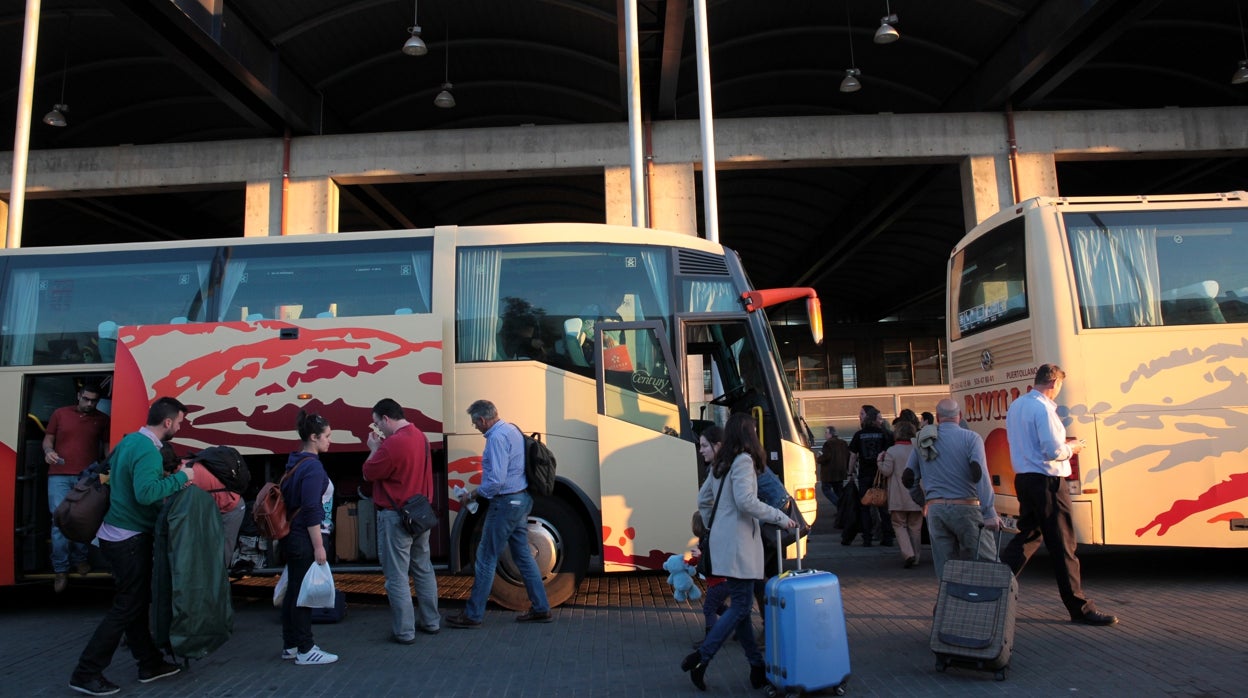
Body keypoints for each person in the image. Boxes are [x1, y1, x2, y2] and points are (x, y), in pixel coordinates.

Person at [68, 397, 190, 696]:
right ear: (167, 422)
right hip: (129, 538)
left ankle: (149, 663)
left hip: (114, 534)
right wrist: (181, 479)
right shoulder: (148, 450)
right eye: (180, 421)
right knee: (126, 607)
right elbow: (146, 494)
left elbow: (111, 477)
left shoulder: (129, 441)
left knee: (133, 603)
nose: (180, 426)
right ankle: (87, 672)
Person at [680, 412, 796, 692]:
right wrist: (780, 517)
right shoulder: (743, 460)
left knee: (742, 609)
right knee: (742, 606)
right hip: (740, 544)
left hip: (724, 543)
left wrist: (714, 525)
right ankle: (702, 658)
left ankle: (756, 667)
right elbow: (746, 501)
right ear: (749, 433)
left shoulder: (722, 462)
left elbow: (703, 499)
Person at [1001, 364, 1118, 627]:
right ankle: (1079, 607)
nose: (1059, 392)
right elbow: (1052, 449)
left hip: (1025, 478)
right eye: (1060, 387)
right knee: (1063, 544)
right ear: (1053, 383)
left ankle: (990, 589)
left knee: (1028, 537)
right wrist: (1072, 447)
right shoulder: (1043, 408)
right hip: (1048, 481)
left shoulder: (1018, 405)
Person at [446, 399, 552, 628]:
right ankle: (541, 607)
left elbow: (495, 481)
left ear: (482, 420)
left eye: (476, 423)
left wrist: (471, 496)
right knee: (523, 555)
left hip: (505, 504)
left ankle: (473, 615)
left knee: (485, 557)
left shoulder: (495, 438)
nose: (476, 427)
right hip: (521, 499)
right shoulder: (511, 428)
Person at [363, 398, 440, 641]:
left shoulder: (393, 444)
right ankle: (431, 621)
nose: (377, 430)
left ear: (386, 419)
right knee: (423, 568)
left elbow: (368, 472)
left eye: (377, 424)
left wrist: (374, 449)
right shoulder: (420, 437)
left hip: (396, 517)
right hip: (419, 515)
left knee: (396, 576)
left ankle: (405, 631)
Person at [902, 399, 1000, 579]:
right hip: (967, 508)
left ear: (937, 417)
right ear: (960, 416)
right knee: (988, 565)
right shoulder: (971, 438)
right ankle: (988, 605)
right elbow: (980, 475)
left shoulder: (922, 439)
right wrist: (989, 511)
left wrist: (924, 502)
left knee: (946, 570)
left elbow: (908, 478)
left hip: (936, 510)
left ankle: (949, 605)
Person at [280, 410, 340, 665]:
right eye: (326, 436)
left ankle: (291, 645)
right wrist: (319, 546)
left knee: (294, 591)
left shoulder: (295, 460)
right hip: (306, 537)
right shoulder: (313, 467)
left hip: (292, 535)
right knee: (304, 593)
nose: (330, 440)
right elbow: (312, 508)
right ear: (314, 437)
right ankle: (306, 649)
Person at [43, 381, 110, 592]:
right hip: (58, 475)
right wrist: (48, 452)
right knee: (59, 521)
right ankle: (61, 570)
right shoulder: (60, 413)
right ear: (79, 396)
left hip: (87, 476)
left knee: (83, 520)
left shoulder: (102, 419)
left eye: (94, 401)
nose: (90, 404)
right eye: (86, 399)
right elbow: (48, 439)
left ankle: (80, 559)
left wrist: (108, 470)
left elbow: (107, 449)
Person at [162, 443, 245, 570]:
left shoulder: (187, 478)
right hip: (217, 507)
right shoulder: (185, 465)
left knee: (221, 557)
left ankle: (219, 585)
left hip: (231, 507)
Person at [845, 406, 894, 547]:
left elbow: (853, 456)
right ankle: (888, 537)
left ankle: (867, 538)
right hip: (881, 474)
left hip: (864, 475)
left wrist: (850, 473)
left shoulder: (859, 435)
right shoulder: (884, 434)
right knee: (883, 506)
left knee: (864, 507)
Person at [877, 421, 922, 568]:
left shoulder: (892, 451)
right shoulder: (918, 449)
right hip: (917, 496)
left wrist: (879, 461)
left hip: (898, 497)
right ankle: (916, 557)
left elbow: (886, 471)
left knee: (899, 525)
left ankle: (908, 554)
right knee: (915, 528)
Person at [816, 426, 849, 507]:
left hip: (829, 473)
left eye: (826, 433)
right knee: (838, 491)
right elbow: (848, 455)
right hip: (841, 472)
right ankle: (842, 510)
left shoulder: (828, 444)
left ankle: (840, 506)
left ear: (830, 434)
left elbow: (826, 457)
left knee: (826, 489)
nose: (825, 435)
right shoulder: (843, 443)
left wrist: (819, 458)